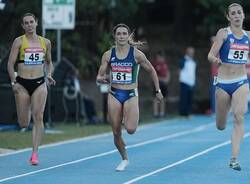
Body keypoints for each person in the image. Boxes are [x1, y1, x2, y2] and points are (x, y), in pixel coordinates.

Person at [96, 23, 163, 171]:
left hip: (131, 94)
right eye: (118, 34)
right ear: (115, 36)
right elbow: (100, 74)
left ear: (128, 36)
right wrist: (101, 78)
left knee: (131, 129)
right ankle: (124, 158)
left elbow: (152, 70)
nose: (121, 36)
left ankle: (127, 117)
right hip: (114, 93)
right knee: (115, 131)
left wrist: (157, 90)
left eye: (124, 34)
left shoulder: (136, 54)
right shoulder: (108, 55)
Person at [7, 13, 55, 165]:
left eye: (31, 22)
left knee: (38, 117)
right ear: (23, 26)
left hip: (40, 83)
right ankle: (26, 107)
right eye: (26, 23)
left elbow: (49, 62)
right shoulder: (19, 41)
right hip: (21, 83)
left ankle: (34, 154)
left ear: (36, 23)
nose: (29, 25)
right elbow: (10, 64)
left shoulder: (45, 42)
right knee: (23, 123)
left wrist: (49, 75)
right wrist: (14, 82)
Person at [208, 3, 249, 171]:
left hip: (241, 81)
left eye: (239, 12)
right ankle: (221, 120)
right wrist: (215, 60)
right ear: (228, 17)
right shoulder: (223, 34)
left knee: (239, 117)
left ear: (243, 15)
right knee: (221, 125)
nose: (237, 15)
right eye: (233, 13)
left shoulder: (248, 36)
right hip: (223, 83)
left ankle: (234, 158)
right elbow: (210, 55)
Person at [179, 46, 197, 118]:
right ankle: (183, 113)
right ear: (187, 52)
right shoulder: (183, 60)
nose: (192, 53)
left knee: (190, 98)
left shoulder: (193, 61)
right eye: (190, 52)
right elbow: (180, 69)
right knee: (184, 98)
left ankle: (188, 113)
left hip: (191, 82)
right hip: (184, 81)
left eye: (193, 52)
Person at [152, 51, 170, 118]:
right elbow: (153, 75)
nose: (160, 59)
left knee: (163, 98)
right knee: (156, 98)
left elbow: (167, 72)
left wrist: (167, 79)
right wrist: (161, 79)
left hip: (164, 84)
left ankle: (162, 113)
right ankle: (155, 113)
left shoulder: (164, 64)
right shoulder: (155, 65)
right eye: (159, 57)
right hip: (158, 84)